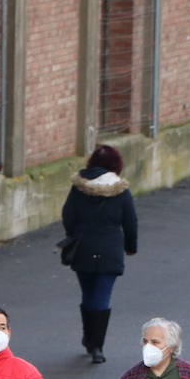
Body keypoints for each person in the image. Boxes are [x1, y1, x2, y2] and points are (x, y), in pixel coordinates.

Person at [61, 144, 138, 365]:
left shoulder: (78, 187)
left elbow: (68, 214)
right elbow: (130, 222)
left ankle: (88, 338)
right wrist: (131, 246)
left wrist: (73, 235)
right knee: (102, 295)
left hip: (83, 247)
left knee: (87, 294)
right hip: (110, 249)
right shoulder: (120, 190)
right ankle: (98, 346)